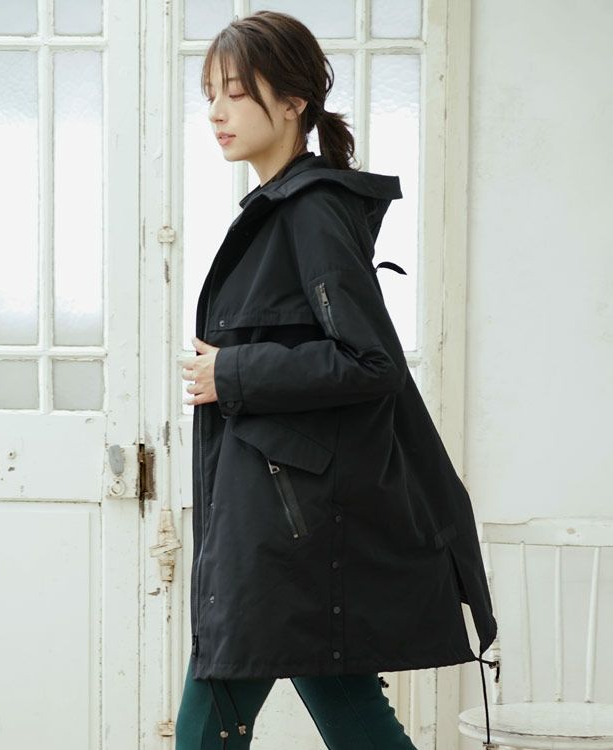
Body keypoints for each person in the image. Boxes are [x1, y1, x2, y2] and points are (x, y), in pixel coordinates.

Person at [176, 10, 499, 749]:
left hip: (287, 528)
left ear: (293, 102)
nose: (217, 112)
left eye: (235, 92)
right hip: (289, 518)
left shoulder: (312, 209)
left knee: (211, 710)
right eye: (209, 94)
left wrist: (232, 369)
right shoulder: (283, 208)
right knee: (347, 711)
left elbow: (369, 360)